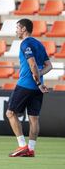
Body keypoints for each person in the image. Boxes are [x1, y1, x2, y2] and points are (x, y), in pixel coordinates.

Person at [7, 19, 52, 157]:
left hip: (25, 85)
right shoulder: (39, 44)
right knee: (34, 119)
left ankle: (22, 146)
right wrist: (39, 78)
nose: (16, 30)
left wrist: (37, 79)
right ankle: (31, 149)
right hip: (38, 88)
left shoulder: (25, 43)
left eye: (18, 28)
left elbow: (32, 64)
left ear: (24, 29)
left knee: (11, 113)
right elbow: (49, 66)